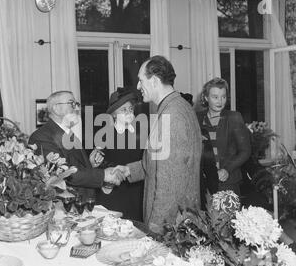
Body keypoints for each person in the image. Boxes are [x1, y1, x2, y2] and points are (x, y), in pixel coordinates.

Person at [115, 55, 202, 234]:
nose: (138, 86)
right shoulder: (178, 107)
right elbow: (161, 163)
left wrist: (155, 229)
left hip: (170, 225)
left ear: (154, 81)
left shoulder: (171, 116)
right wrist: (129, 170)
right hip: (179, 218)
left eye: (141, 81)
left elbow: (169, 183)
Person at [28, 91, 123, 199]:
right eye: (71, 103)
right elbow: (64, 174)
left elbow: (74, 166)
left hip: (81, 202)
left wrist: (90, 164)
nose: (76, 108)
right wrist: (103, 175)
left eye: (76, 104)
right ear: (56, 108)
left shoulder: (69, 134)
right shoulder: (41, 137)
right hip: (65, 206)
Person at [196, 77, 251, 208]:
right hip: (204, 184)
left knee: (227, 225)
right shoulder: (197, 118)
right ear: (205, 97)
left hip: (228, 183)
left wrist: (227, 169)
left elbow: (245, 151)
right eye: (215, 97)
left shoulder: (234, 117)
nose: (220, 101)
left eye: (223, 97)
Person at [96, 87, 145, 222]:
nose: (129, 113)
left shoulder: (141, 133)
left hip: (137, 188)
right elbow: (99, 162)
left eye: (130, 109)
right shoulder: (104, 134)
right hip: (115, 189)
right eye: (124, 110)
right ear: (114, 114)